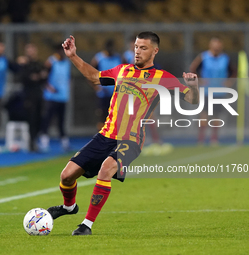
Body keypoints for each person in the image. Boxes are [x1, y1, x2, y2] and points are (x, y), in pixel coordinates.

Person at [46, 32, 199, 235]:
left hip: (132, 139)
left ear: (155, 51)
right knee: (66, 176)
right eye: (136, 46)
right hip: (105, 135)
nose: (137, 51)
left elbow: (192, 100)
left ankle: (86, 225)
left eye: (143, 48)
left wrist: (194, 87)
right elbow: (94, 76)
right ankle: (69, 207)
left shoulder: (163, 78)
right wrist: (73, 55)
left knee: (105, 170)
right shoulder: (122, 70)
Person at [190, 37, 236, 145]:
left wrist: (230, 82)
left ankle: (214, 138)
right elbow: (193, 68)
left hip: (219, 91)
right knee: (204, 115)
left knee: (216, 115)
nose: (216, 48)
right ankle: (201, 139)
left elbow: (233, 71)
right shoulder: (203, 57)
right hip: (206, 91)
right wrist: (199, 80)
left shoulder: (225, 58)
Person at [40, 44, 71, 152]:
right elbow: (43, 77)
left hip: (62, 97)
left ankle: (64, 143)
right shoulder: (51, 62)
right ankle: (44, 142)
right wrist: (49, 88)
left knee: (61, 121)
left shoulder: (67, 63)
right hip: (51, 97)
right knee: (47, 119)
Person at [17, 43, 48, 151]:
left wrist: (37, 77)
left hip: (38, 93)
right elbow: (25, 78)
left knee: (39, 117)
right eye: (29, 50)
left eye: (33, 50)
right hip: (28, 95)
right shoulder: (24, 65)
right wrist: (37, 77)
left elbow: (43, 77)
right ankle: (31, 142)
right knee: (31, 118)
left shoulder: (39, 64)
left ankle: (36, 139)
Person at [91, 39, 122, 130]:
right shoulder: (99, 58)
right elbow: (90, 74)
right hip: (103, 94)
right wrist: (97, 87)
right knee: (102, 117)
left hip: (115, 94)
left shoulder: (118, 58)